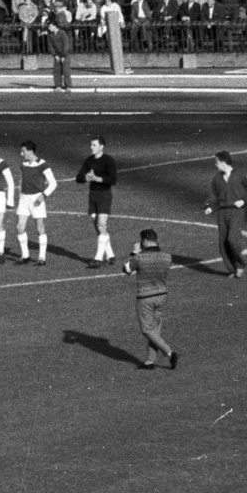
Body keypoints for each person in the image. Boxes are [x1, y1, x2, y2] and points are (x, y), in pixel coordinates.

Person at [122, 228, 178, 371]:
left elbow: (126, 270)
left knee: (147, 330)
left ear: (145, 241)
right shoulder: (167, 256)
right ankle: (149, 361)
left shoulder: (139, 258)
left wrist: (134, 252)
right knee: (155, 330)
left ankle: (170, 353)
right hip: (162, 296)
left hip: (145, 298)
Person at [204, 151, 247, 279]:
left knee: (232, 239)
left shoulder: (239, 176)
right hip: (222, 212)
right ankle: (232, 269)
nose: (215, 165)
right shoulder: (217, 178)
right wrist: (209, 206)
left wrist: (243, 200)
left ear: (223, 162)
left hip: (236, 212)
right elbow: (213, 195)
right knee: (223, 242)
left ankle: (240, 264)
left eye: (217, 162)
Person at [76, 135, 119, 268]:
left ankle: (98, 258)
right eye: (91, 145)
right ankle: (110, 255)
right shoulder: (88, 161)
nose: (91, 147)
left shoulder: (108, 160)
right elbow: (78, 178)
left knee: (101, 224)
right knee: (99, 227)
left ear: (101, 146)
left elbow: (113, 180)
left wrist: (97, 178)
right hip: (93, 196)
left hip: (104, 195)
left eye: (94, 145)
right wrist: (87, 178)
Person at [15, 141, 59, 265]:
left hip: (36, 200)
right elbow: (22, 180)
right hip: (24, 199)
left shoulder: (42, 164)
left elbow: (53, 183)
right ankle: (25, 256)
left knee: (40, 228)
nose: (21, 153)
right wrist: (20, 195)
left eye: (23, 151)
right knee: (20, 227)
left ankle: (42, 258)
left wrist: (43, 196)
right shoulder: (23, 164)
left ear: (30, 151)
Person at [49, 16, 74, 92]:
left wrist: (63, 55)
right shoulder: (50, 35)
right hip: (57, 54)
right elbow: (51, 46)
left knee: (66, 70)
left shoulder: (62, 33)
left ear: (54, 26)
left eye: (50, 26)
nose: (49, 28)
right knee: (57, 70)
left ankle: (68, 86)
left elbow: (66, 45)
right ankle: (58, 85)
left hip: (64, 54)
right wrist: (55, 55)